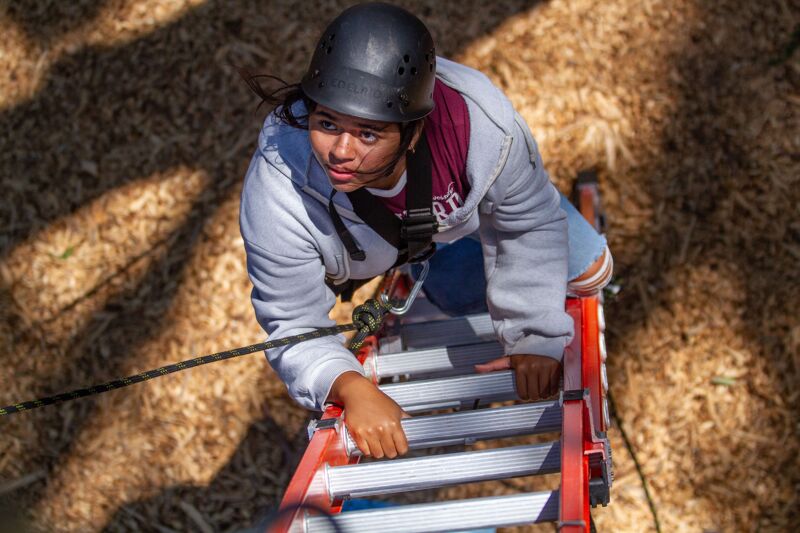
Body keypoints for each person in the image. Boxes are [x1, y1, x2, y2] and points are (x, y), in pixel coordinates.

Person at [239, 3, 612, 460]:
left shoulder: (480, 127)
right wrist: (348, 385)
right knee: (444, 297)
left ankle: (444, 279)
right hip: (390, 245)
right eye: (327, 122)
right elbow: (291, 319)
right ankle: (435, 292)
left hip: (464, 221)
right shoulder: (277, 185)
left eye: (369, 134)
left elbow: (527, 221)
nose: (340, 151)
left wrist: (534, 333)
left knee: (593, 271)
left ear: (413, 132)